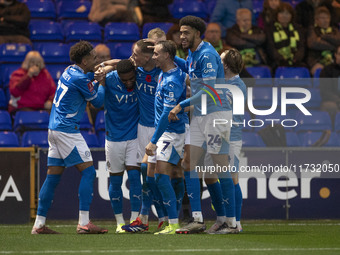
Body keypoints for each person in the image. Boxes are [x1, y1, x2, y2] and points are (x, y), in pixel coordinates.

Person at [31, 41, 107, 235]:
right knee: (89, 173)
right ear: (84, 60)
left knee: (52, 177)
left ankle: (38, 224)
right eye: (93, 56)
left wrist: (95, 76)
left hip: (54, 129)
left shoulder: (69, 70)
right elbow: (97, 101)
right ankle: (83, 222)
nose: (96, 58)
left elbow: (86, 78)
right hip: (67, 130)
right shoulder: (81, 79)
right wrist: (102, 82)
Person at [169, 16, 233, 234]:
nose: (182, 36)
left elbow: (208, 90)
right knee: (189, 163)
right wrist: (167, 54)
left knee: (220, 168)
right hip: (200, 116)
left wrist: (181, 105)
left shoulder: (207, 55)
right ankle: (197, 219)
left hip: (215, 115)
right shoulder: (193, 53)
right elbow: (188, 67)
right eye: (180, 32)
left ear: (197, 33)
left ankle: (230, 222)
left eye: (186, 32)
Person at [122, 39, 167, 232]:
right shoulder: (136, 71)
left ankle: (163, 216)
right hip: (142, 128)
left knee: (159, 175)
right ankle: (149, 217)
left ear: (148, 56)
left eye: (135, 53)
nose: (132, 57)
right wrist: (104, 67)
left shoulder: (163, 73)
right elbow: (118, 63)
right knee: (146, 173)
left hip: (161, 130)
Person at [145, 40, 186, 234]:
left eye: (156, 53)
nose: (153, 57)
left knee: (162, 177)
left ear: (167, 55)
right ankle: (170, 221)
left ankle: (174, 223)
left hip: (172, 132)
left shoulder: (173, 81)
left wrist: (153, 141)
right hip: (166, 131)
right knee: (155, 176)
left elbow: (166, 115)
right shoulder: (166, 72)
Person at [207, 49, 246, 234]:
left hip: (231, 137)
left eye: (219, 60)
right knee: (213, 177)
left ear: (225, 65)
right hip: (217, 135)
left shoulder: (237, 86)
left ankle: (236, 222)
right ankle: (222, 219)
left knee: (232, 178)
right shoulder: (224, 83)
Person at [102, 59, 142, 233]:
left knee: (134, 178)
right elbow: (94, 71)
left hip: (134, 136)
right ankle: (119, 222)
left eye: (130, 79)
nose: (128, 82)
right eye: (123, 80)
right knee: (116, 181)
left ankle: (134, 220)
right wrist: (106, 67)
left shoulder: (140, 76)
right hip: (113, 138)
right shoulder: (108, 78)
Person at [266, 2, 305, 69]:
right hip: (277, 62)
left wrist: (297, 58)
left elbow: (301, 46)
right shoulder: (270, 28)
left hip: (296, 61)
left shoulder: (298, 28)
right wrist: (282, 59)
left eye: (287, 13)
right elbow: (271, 48)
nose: (284, 16)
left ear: (291, 15)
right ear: (277, 15)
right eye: (281, 13)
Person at [306, 7, 340, 75]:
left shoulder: (335, 30)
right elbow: (313, 43)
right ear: (316, 20)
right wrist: (333, 46)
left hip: (334, 61)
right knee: (322, 72)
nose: (326, 20)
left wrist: (323, 36)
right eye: (323, 18)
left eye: (327, 18)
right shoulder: (312, 29)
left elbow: (338, 41)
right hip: (317, 60)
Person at [319, 45, 340, 122]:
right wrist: (338, 101)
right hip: (332, 101)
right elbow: (325, 92)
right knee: (330, 106)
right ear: (336, 55)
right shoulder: (327, 70)